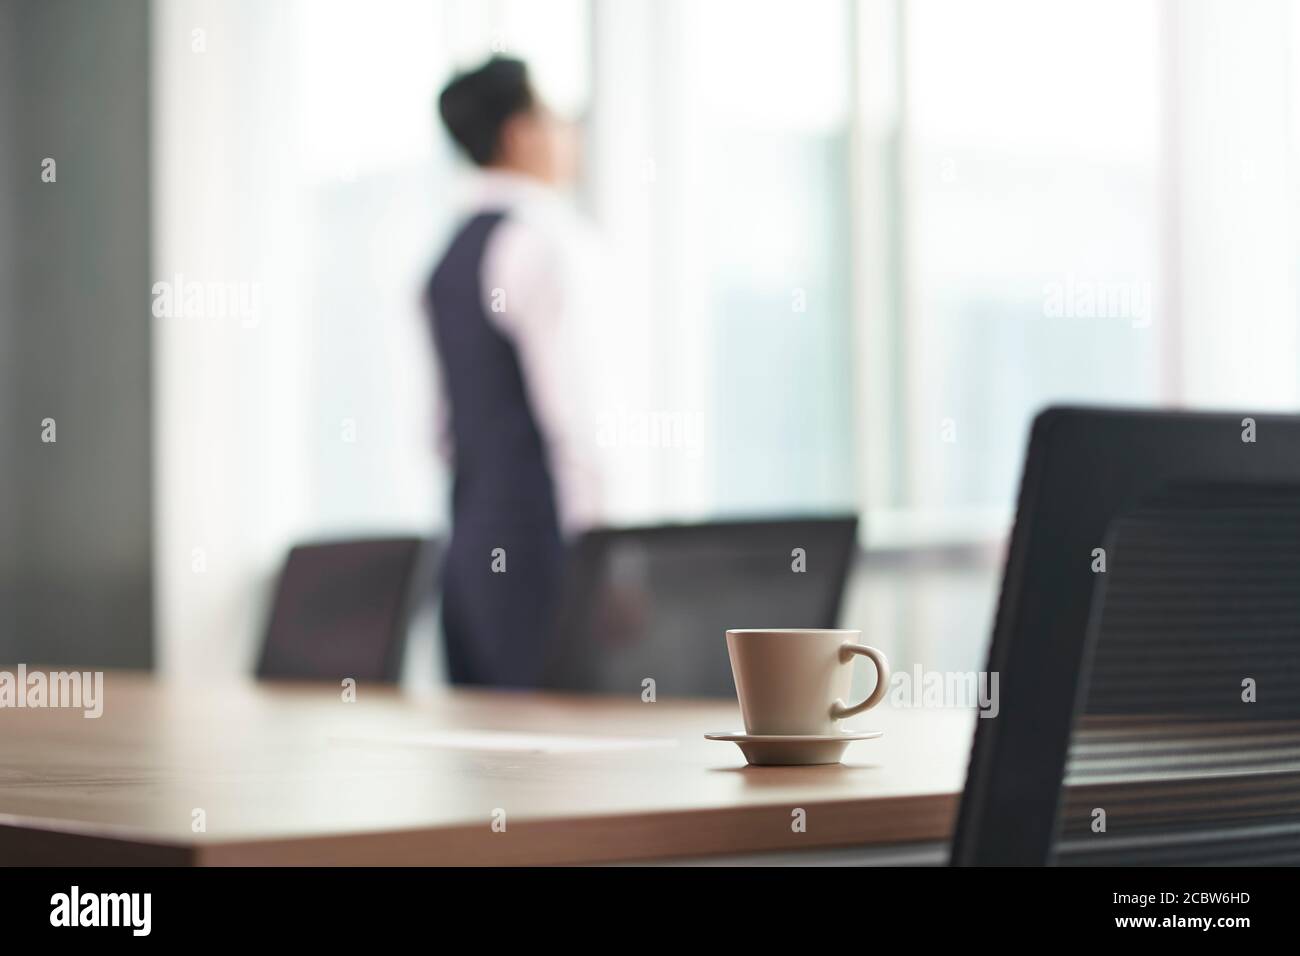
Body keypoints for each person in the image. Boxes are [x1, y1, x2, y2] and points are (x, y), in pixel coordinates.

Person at [424, 57, 602, 687]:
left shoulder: (447, 251)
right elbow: (574, 419)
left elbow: (441, 431)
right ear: (520, 134)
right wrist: (605, 560)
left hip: (469, 536)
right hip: (537, 541)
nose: (569, 135)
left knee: (489, 758)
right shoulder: (541, 240)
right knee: (559, 754)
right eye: (556, 118)